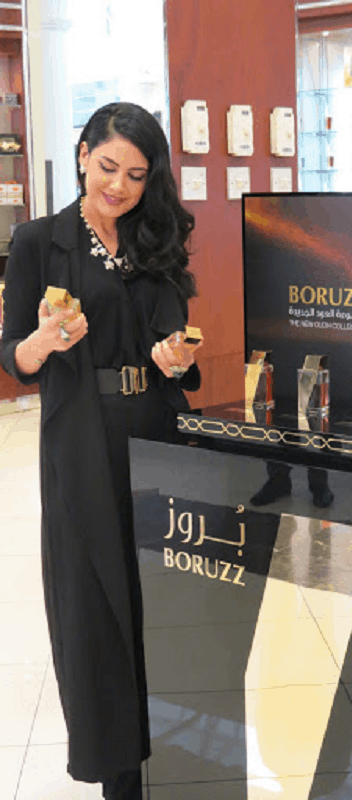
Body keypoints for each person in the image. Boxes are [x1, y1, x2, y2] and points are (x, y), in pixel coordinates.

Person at [0, 102, 202, 800]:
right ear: (83, 153)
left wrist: (177, 357)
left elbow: (177, 344)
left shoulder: (157, 238)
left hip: (157, 432)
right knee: (95, 603)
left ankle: (178, 753)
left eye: (137, 175)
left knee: (164, 597)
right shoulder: (39, 240)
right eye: (108, 166)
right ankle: (119, 773)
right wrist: (42, 343)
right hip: (83, 439)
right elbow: (13, 355)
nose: (119, 185)